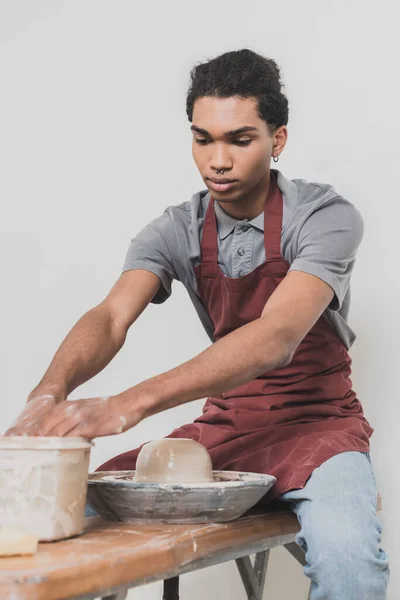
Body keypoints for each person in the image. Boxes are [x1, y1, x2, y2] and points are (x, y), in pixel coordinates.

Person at [6, 49, 389, 598]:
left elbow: (277, 336)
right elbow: (112, 316)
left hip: (319, 430)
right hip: (226, 430)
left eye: (240, 139)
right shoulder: (176, 229)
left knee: (351, 564)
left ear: (278, 139)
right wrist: (48, 392)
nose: (217, 160)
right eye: (202, 138)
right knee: (74, 511)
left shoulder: (324, 217)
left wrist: (124, 405)